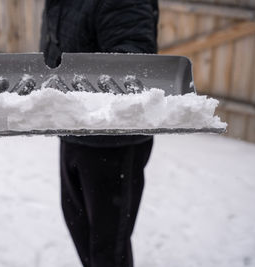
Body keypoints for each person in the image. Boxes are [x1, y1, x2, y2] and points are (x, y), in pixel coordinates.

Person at [40, 0, 158, 266]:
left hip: (112, 144)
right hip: (71, 129)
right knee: (81, 231)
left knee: (107, 251)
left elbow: (134, 62)